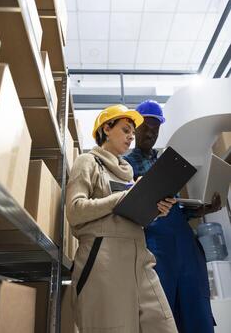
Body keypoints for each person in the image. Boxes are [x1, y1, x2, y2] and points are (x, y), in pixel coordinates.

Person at [66, 104, 179, 333]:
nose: (131, 137)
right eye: (126, 130)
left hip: (140, 259)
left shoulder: (129, 173)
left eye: (131, 132)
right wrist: (122, 198)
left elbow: (129, 216)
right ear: (107, 128)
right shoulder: (87, 161)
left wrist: (155, 209)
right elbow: (75, 210)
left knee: (164, 326)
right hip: (104, 262)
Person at [124, 100, 221, 333]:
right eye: (146, 127)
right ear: (135, 127)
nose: (151, 133)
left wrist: (203, 210)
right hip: (155, 245)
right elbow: (127, 210)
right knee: (162, 307)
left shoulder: (165, 162)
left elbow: (175, 207)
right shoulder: (125, 165)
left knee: (196, 304)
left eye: (156, 129)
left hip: (184, 244)